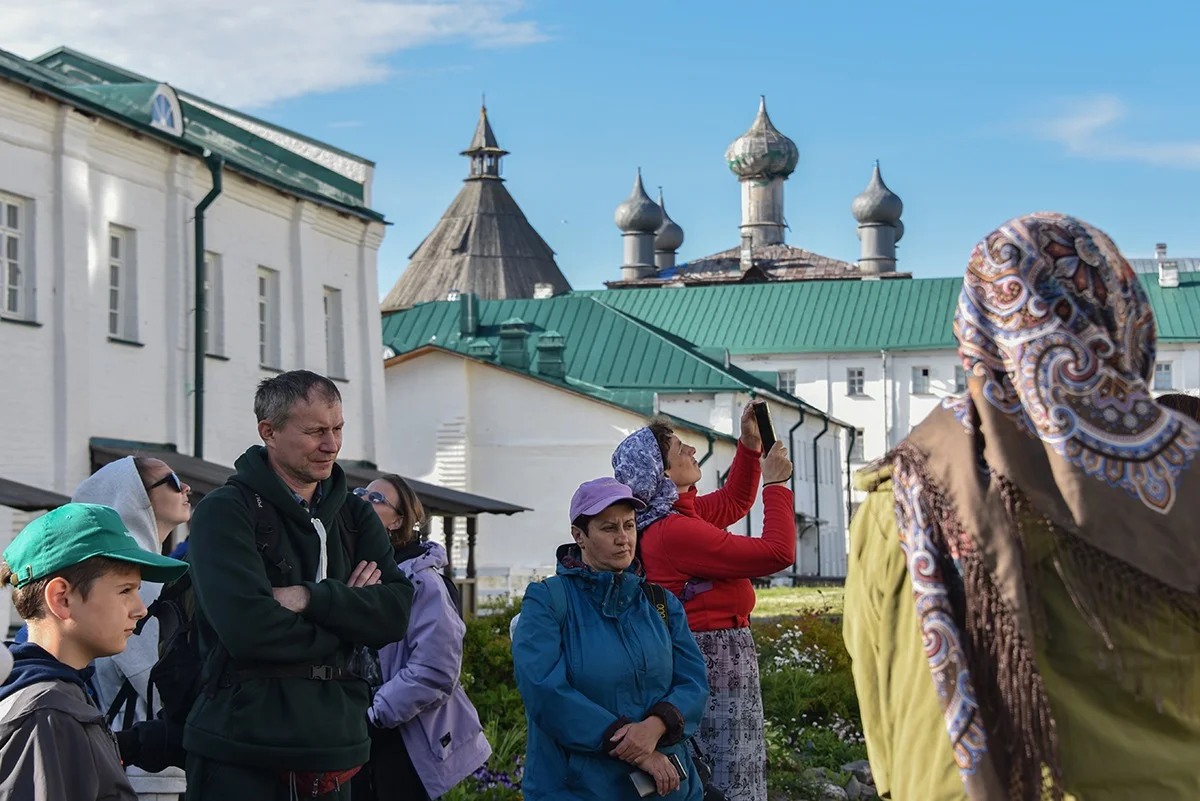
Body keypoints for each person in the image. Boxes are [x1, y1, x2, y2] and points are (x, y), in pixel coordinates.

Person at [844, 212, 1200, 801]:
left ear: (977, 329)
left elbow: (877, 688)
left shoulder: (902, 498)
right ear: (1126, 316)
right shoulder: (1181, 475)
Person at [183, 370, 415, 801]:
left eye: (338, 428)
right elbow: (249, 631)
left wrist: (310, 597)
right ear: (268, 432)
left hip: (336, 752)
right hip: (241, 748)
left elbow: (396, 614)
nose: (332, 444)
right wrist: (350, 615)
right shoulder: (224, 512)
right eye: (315, 432)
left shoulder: (354, 514)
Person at [612, 407, 794, 801]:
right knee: (729, 779)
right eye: (680, 448)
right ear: (662, 474)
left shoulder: (671, 517)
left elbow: (731, 503)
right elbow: (778, 552)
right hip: (716, 661)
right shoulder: (674, 532)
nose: (693, 449)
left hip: (719, 656)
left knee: (723, 774)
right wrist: (777, 486)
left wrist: (749, 446)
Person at [513, 477, 710, 801]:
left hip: (666, 788)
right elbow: (544, 690)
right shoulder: (548, 600)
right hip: (577, 789)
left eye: (629, 526)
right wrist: (637, 749)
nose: (623, 539)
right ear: (579, 535)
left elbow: (693, 682)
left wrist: (656, 727)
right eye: (608, 528)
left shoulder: (660, 603)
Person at [0, 503, 188, 801]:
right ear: (61, 598)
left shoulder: (58, 699)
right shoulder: (49, 716)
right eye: (125, 590)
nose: (141, 609)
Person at [352, 474, 491, 800]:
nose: (362, 500)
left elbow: (436, 669)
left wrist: (374, 714)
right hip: (354, 737)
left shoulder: (423, 582)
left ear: (398, 520)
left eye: (376, 500)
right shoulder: (359, 570)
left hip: (403, 742)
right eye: (361, 493)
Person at [72, 456, 193, 800]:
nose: (186, 488)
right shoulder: (138, 587)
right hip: (141, 774)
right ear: (132, 497)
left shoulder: (131, 580)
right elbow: (167, 685)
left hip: (137, 765)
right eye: (170, 479)